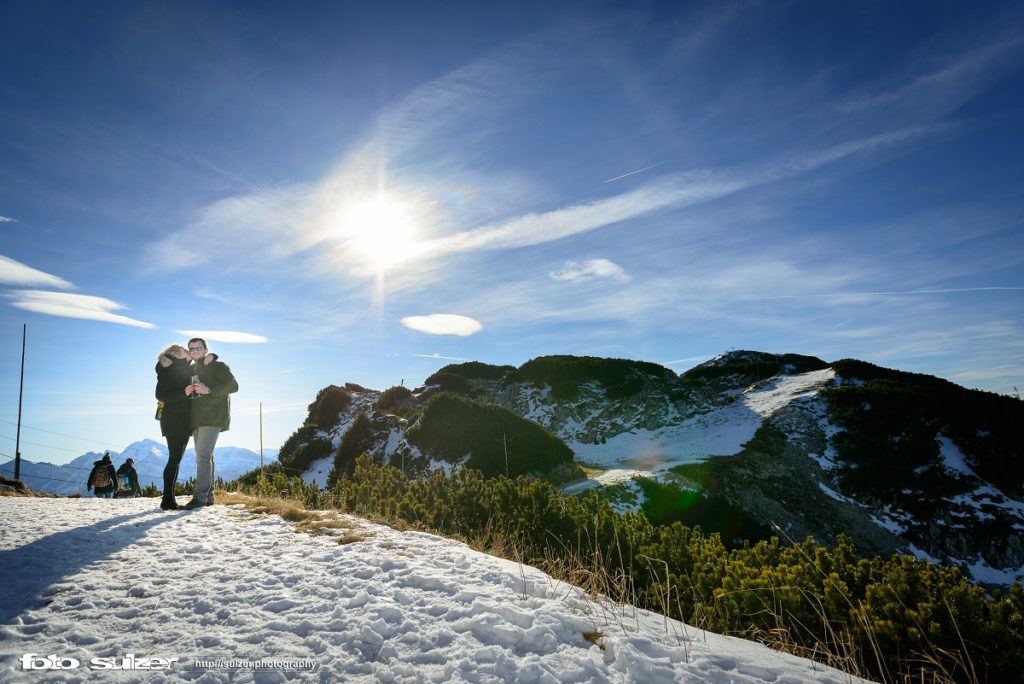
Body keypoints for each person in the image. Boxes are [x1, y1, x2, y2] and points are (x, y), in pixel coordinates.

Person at [184, 337, 238, 509]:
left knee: (203, 457)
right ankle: (208, 497)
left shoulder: (218, 366)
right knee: (206, 457)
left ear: (206, 350)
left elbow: (233, 385)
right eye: (191, 349)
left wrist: (209, 390)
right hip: (196, 419)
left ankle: (199, 497)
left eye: (198, 348)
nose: (195, 352)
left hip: (213, 417)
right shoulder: (192, 369)